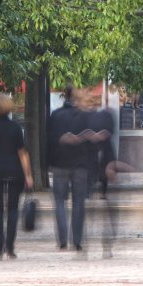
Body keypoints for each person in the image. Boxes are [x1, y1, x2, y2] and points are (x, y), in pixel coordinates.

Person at [0, 94, 33, 260]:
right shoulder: (15, 128)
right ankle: (10, 247)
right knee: (12, 209)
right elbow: (22, 153)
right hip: (14, 171)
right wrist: (28, 175)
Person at [47, 86, 95, 252]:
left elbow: (49, 140)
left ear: (64, 96)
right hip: (80, 165)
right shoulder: (84, 115)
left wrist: (48, 162)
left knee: (59, 201)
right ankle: (77, 240)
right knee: (78, 202)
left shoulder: (55, 115)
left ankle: (62, 240)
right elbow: (90, 142)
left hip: (59, 164)